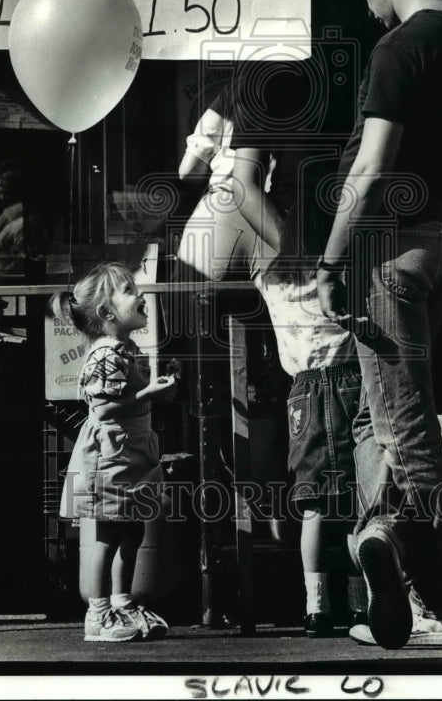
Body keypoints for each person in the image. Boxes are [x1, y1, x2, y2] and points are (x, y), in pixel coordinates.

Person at [316, 0, 442, 649]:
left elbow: (369, 164)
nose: (367, 7)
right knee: (373, 419)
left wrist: (329, 260)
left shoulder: (399, 46)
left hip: (384, 249)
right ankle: (377, 535)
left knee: (405, 430)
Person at [253, 206, 367, 635]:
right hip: (353, 378)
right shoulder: (340, 273)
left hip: (302, 387)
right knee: (360, 497)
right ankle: (363, 601)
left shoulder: (273, 276)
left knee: (314, 502)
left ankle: (315, 605)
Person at [59, 262, 177, 643]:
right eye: (129, 290)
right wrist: (147, 393)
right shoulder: (105, 355)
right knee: (109, 533)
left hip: (132, 450)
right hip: (111, 452)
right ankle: (97, 614)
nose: (141, 295)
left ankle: (122, 604)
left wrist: (156, 390)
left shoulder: (126, 349)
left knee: (133, 528)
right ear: (107, 313)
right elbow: (104, 409)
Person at [175, 82, 266, 281]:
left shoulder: (233, 91)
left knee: (188, 307)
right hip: (276, 217)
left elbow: (188, 172)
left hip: (223, 209)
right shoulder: (308, 88)